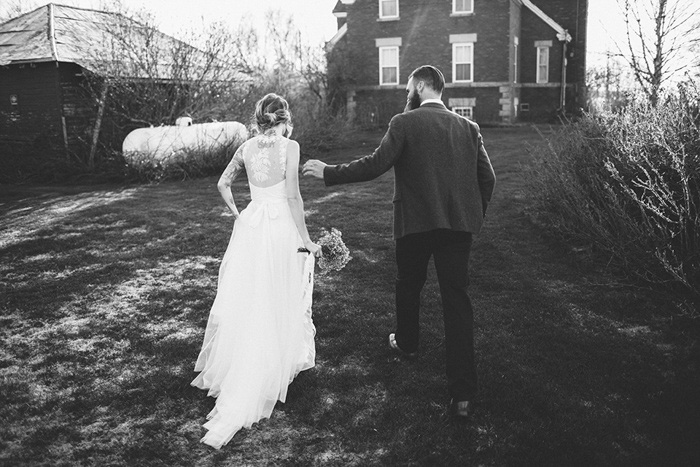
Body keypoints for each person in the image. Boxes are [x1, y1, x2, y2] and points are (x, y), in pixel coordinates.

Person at [303, 65, 496, 417]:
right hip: (457, 229)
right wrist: (472, 217)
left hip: (415, 225)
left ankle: (407, 343)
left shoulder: (404, 122)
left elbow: (376, 164)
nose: (407, 93)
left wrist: (329, 172)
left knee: (408, 285)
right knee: (457, 302)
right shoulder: (470, 127)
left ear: (421, 86)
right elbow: (489, 178)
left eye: (409, 87)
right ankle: (464, 396)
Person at [191, 93, 322, 449]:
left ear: (259, 118)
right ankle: (273, 360)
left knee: (252, 293)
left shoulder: (245, 148)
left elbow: (222, 184)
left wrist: (239, 216)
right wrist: (307, 240)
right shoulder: (290, 147)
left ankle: (246, 358)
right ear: (284, 119)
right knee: (280, 290)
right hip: (280, 227)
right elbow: (293, 197)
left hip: (252, 225)